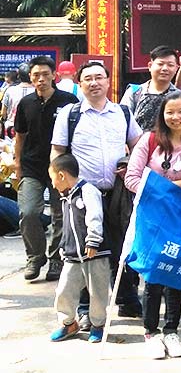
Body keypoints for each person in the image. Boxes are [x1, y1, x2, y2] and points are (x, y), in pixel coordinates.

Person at [51, 60, 142, 319]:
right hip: (82, 195)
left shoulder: (122, 113)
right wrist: (61, 187)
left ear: (108, 81)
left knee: (121, 246)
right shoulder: (70, 114)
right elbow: (57, 152)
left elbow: (137, 145)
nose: (94, 83)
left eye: (99, 77)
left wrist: (130, 167)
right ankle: (84, 309)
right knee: (85, 251)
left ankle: (126, 298)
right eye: (88, 78)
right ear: (79, 84)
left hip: (117, 193)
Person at [124, 90, 181, 360]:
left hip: (180, 218)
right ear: (162, 114)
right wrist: (166, 191)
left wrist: (158, 186)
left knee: (175, 274)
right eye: (170, 112)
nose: (175, 117)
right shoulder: (149, 140)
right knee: (153, 275)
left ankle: (172, 330)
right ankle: (151, 332)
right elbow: (132, 179)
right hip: (150, 217)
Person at [13, 55, 78, 281]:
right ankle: (35, 257)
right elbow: (19, 136)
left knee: (60, 214)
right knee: (28, 212)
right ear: (30, 78)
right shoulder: (26, 103)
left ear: (54, 76)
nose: (41, 79)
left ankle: (56, 258)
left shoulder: (68, 101)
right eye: (36, 75)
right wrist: (17, 164)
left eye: (45, 75)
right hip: (32, 167)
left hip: (61, 167)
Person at [48, 153, 109, 343]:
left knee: (97, 292)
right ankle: (68, 323)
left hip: (95, 253)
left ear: (61, 175)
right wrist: (63, 246)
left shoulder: (88, 191)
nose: (52, 185)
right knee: (64, 290)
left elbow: (94, 217)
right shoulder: (66, 197)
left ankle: (97, 325)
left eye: (52, 178)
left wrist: (93, 241)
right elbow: (67, 226)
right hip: (73, 255)